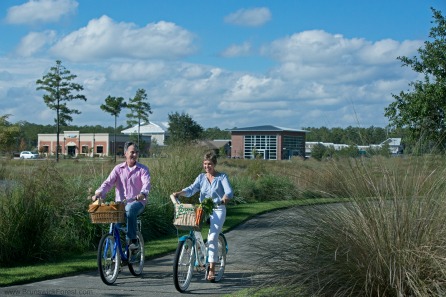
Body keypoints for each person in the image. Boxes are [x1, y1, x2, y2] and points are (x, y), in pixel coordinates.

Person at [172, 151, 233, 282]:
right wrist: (179, 193)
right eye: (205, 164)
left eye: (209, 164)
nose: (207, 167)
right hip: (203, 209)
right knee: (193, 230)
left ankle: (211, 269)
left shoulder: (222, 177)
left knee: (212, 237)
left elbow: (229, 192)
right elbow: (191, 189)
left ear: (214, 164)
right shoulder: (201, 178)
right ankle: (199, 252)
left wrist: (223, 200)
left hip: (218, 209)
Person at [92, 141, 151, 251]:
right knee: (115, 226)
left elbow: (146, 184)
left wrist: (143, 193)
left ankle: (132, 240)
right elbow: (108, 183)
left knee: (130, 209)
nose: (134, 155)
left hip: (137, 202)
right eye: (132, 152)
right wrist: (99, 193)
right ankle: (116, 258)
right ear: (125, 153)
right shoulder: (118, 169)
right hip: (120, 204)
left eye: (136, 152)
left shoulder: (143, 169)